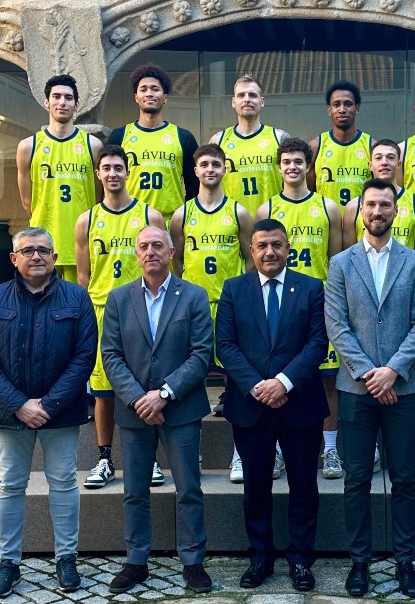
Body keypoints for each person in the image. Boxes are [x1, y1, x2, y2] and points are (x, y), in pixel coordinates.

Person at [0, 227, 97, 599]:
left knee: (64, 483)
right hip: (10, 414)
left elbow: (84, 357)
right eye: (28, 250)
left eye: (43, 250)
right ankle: (7, 563)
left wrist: (48, 405)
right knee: (10, 484)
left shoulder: (77, 298)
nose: (36, 256)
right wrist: (20, 405)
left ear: (55, 258)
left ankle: (66, 559)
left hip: (61, 411)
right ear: (14, 258)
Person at [324, 178, 415, 598]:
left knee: (404, 478)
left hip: (404, 389)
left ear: (395, 211)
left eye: (385, 205)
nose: (377, 212)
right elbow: (337, 325)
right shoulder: (341, 263)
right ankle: (360, 563)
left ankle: (405, 562)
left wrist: (393, 371)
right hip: (355, 390)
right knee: (356, 479)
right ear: (360, 212)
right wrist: (371, 373)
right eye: (370, 205)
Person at [215, 218, 330, 592]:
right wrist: (257, 386)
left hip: (300, 404)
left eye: (277, 244)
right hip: (251, 407)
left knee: (304, 486)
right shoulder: (234, 289)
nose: (269, 252)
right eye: (262, 245)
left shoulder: (311, 288)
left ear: (288, 248)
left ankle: (301, 560)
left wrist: (283, 382)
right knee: (255, 487)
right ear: (251, 250)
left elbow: (317, 343)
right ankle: (260, 558)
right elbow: (225, 345)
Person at [100, 225, 214, 595]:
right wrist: (138, 398)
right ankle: (136, 561)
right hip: (134, 412)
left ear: (171, 251)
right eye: (144, 246)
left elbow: (201, 354)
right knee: (134, 491)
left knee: (189, 489)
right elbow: (111, 355)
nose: (151, 251)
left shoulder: (194, 296)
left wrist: (163, 394)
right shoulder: (118, 299)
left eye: (158, 245)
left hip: (180, 409)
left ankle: (193, 562)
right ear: (136, 254)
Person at [74, 144, 165, 490]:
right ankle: (105, 459)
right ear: (98, 174)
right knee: (104, 391)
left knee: (145, 383)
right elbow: (83, 276)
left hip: (142, 307)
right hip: (102, 309)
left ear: (128, 172)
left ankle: (150, 458)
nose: (112, 174)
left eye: (118, 168)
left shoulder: (150, 215)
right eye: (106, 168)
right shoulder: (86, 220)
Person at [170, 143, 258, 481]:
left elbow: (249, 259)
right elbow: (178, 262)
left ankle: (239, 455)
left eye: (216, 164)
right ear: (195, 171)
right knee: (190, 378)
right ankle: (191, 452)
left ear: (225, 169)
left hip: (228, 306)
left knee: (236, 379)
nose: (210, 169)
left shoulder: (239, 212)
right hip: (193, 308)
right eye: (204, 164)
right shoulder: (182, 214)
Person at [257, 137, 344, 479]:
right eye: (286, 162)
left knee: (327, 379)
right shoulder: (266, 209)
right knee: (279, 372)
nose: (292, 167)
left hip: (317, 300)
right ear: (278, 168)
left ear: (309, 167)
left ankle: (330, 448)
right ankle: (278, 450)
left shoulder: (328, 207)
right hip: (279, 302)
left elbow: (336, 260)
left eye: (298, 161)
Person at [15, 74, 101, 282]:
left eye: (68, 98)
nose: (62, 102)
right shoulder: (28, 146)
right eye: (56, 97)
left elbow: (98, 198)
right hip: (42, 246)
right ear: (47, 102)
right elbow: (27, 202)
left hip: (81, 242)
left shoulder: (93, 145)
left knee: (77, 300)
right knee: (42, 299)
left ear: (76, 105)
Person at [107, 63, 199, 218]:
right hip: (129, 220)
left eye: (155, 89)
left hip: (169, 223)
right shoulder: (119, 136)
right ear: (136, 97)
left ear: (165, 98)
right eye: (143, 89)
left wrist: (184, 220)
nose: (149, 93)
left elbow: (194, 188)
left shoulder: (184, 138)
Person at [209, 74, 290, 218]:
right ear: (233, 102)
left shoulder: (279, 138)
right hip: (232, 221)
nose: (247, 99)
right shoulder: (218, 141)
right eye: (241, 95)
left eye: (252, 95)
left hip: (272, 221)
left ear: (262, 101)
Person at [342, 139, 415, 256]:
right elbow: (349, 257)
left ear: (399, 164)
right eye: (378, 158)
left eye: (390, 157)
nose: (384, 162)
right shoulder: (353, 207)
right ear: (370, 165)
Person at [309, 80, 373, 209]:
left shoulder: (371, 146)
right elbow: (308, 194)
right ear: (329, 110)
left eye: (348, 104)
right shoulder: (316, 146)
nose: (342, 110)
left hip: (361, 220)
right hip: (326, 220)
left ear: (356, 108)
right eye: (336, 104)